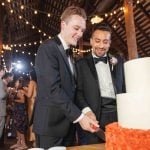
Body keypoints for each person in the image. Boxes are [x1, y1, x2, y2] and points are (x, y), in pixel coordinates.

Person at [33, 6, 99, 149]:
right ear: (63, 25)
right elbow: (53, 90)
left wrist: (86, 111)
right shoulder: (47, 48)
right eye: (76, 28)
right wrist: (80, 118)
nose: (80, 33)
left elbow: (72, 90)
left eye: (82, 30)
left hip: (68, 125)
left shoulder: (71, 54)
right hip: (50, 126)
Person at [75, 23, 125, 145]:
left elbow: (124, 87)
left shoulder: (119, 61)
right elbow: (78, 92)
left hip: (118, 115)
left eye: (105, 42)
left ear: (109, 43)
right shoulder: (81, 64)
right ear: (91, 41)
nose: (101, 46)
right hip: (94, 116)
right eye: (97, 41)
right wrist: (86, 111)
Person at [24, 69, 37, 147]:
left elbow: (29, 95)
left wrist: (23, 91)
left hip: (32, 104)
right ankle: (35, 140)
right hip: (34, 104)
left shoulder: (32, 82)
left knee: (32, 122)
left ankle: (34, 140)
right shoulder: (36, 82)